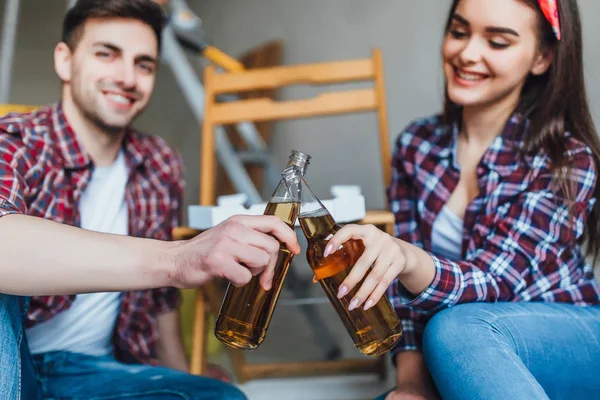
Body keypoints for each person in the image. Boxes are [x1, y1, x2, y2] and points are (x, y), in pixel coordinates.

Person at [0, 0, 300, 399]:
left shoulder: (160, 163)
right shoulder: (16, 140)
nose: (127, 77)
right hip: (15, 356)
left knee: (222, 398)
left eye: (144, 64)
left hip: (97, 371)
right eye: (107, 54)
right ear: (64, 60)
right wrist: (178, 258)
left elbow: (161, 303)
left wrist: (182, 377)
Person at [323, 0, 600, 399]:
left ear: (542, 57)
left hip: (573, 338)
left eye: (497, 42)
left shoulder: (566, 160)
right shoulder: (416, 145)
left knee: (457, 327)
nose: (467, 53)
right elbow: (406, 300)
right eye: (459, 32)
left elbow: (496, 281)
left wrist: (407, 257)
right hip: (469, 355)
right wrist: (411, 388)